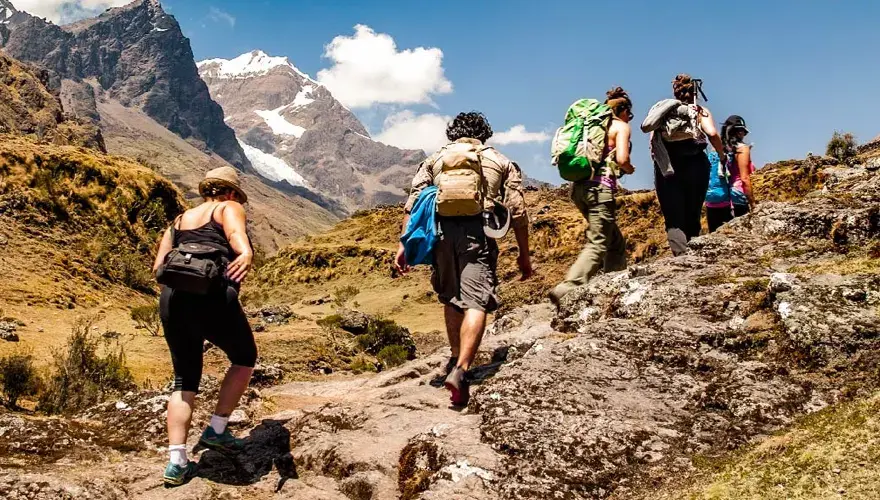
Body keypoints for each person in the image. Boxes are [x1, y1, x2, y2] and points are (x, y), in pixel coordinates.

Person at [394, 112, 533, 407]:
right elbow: (518, 210)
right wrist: (524, 254)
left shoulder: (435, 159)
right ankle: (461, 370)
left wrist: (403, 245)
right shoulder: (499, 160)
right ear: (484, 134)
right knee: (477, 301)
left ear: (452, 133)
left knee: (450, 297)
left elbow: (414, 202)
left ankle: (455, 356)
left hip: (440, 234)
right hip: (478, 234)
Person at [152, 167, 256, 486]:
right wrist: (245, 252)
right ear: (230, 193)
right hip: (211, 295)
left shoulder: (179, 220)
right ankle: (217, 430)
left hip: (172, 300)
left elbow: (158, 269)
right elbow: (237, 238)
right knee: (244, 356)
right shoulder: (228, 208)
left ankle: (176, 462)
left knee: (184, 378)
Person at [549, 87, 636, 304]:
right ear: (623, 110)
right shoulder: (620, 126)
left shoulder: (593, 126)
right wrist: (629, 168)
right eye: (630, 114)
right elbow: (623, 159)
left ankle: (613, 285)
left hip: (579, 189)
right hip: (600, 190)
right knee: (598, 242)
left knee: (614, 242)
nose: (630, 118)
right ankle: (568, 287)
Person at [641, 74, 726, 255]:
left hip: (668, 168)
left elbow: (652, 144)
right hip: (696, 165)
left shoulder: (663, 113)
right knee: (693, 213)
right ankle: (695, 255)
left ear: (675, 93)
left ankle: (681, 258)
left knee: (674, 218)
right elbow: (711, 133)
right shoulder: (700, 110)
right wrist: (721, 154)